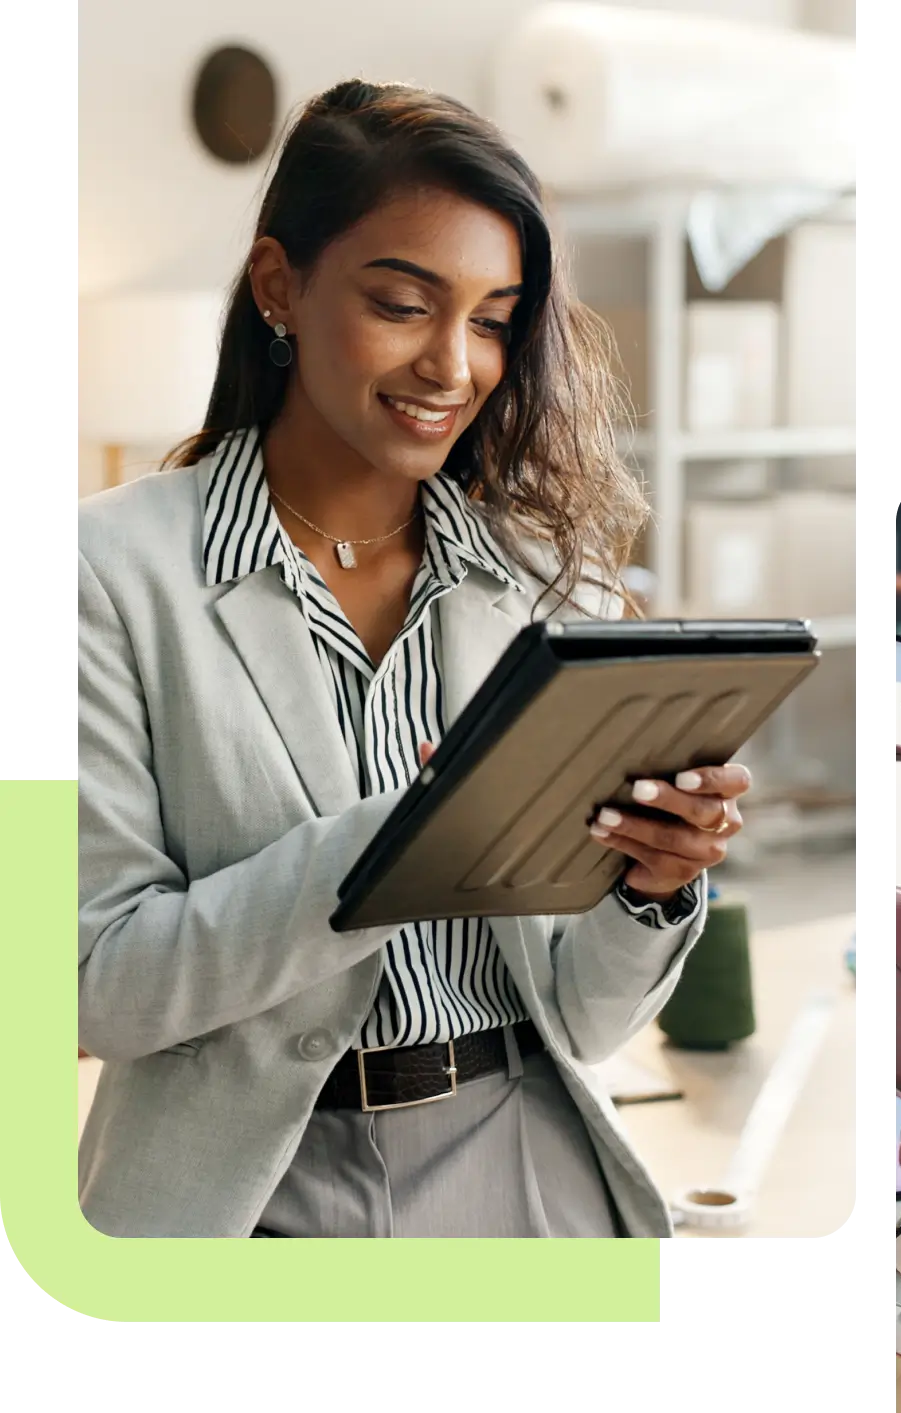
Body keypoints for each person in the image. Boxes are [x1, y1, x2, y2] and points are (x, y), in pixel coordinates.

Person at [73, 80, 749, 1237]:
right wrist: (397, 846)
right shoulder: (109, 573)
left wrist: (653, 886)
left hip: (536, 1172)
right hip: (249, 1205)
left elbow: (584, 1023)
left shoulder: (550, 584)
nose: (453, 364)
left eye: (492, 320)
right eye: (402, 302)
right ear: (280, 285)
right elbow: (95, 984)